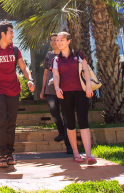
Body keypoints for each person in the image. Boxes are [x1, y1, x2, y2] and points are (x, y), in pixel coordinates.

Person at [0, 20, 35, 168]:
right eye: (10, 32)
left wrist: (29, 79)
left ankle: (10, 154)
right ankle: (1, 154)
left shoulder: (15, 50)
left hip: (13, 90)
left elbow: (23, 67)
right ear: (3, 34)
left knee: (11, 122)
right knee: (1, 121)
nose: (12, 35)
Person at [52, 31, 96, 165]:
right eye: (57, 40)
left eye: (61, 40)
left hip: (80, 92)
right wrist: (57, 88)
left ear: (69, 41)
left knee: (83, 122)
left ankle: (88, 155)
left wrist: (88, 85)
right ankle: (76, 153)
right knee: (70, 124)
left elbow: (86, 71)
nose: (58, 42)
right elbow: (56, 75)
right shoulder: (56, 59)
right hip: (65, 94)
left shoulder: (79, 55)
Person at [40, 33, 73, 154]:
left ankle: (69, 145)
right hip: (50, 91)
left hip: (64, 90)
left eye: (56, 40)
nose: (54, 42)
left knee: (66, 116)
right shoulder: (48, 55)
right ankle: (62, 132)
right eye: (52, 40)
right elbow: (45, 74)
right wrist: (43, 89)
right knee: (54, 113)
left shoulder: (65, 55)